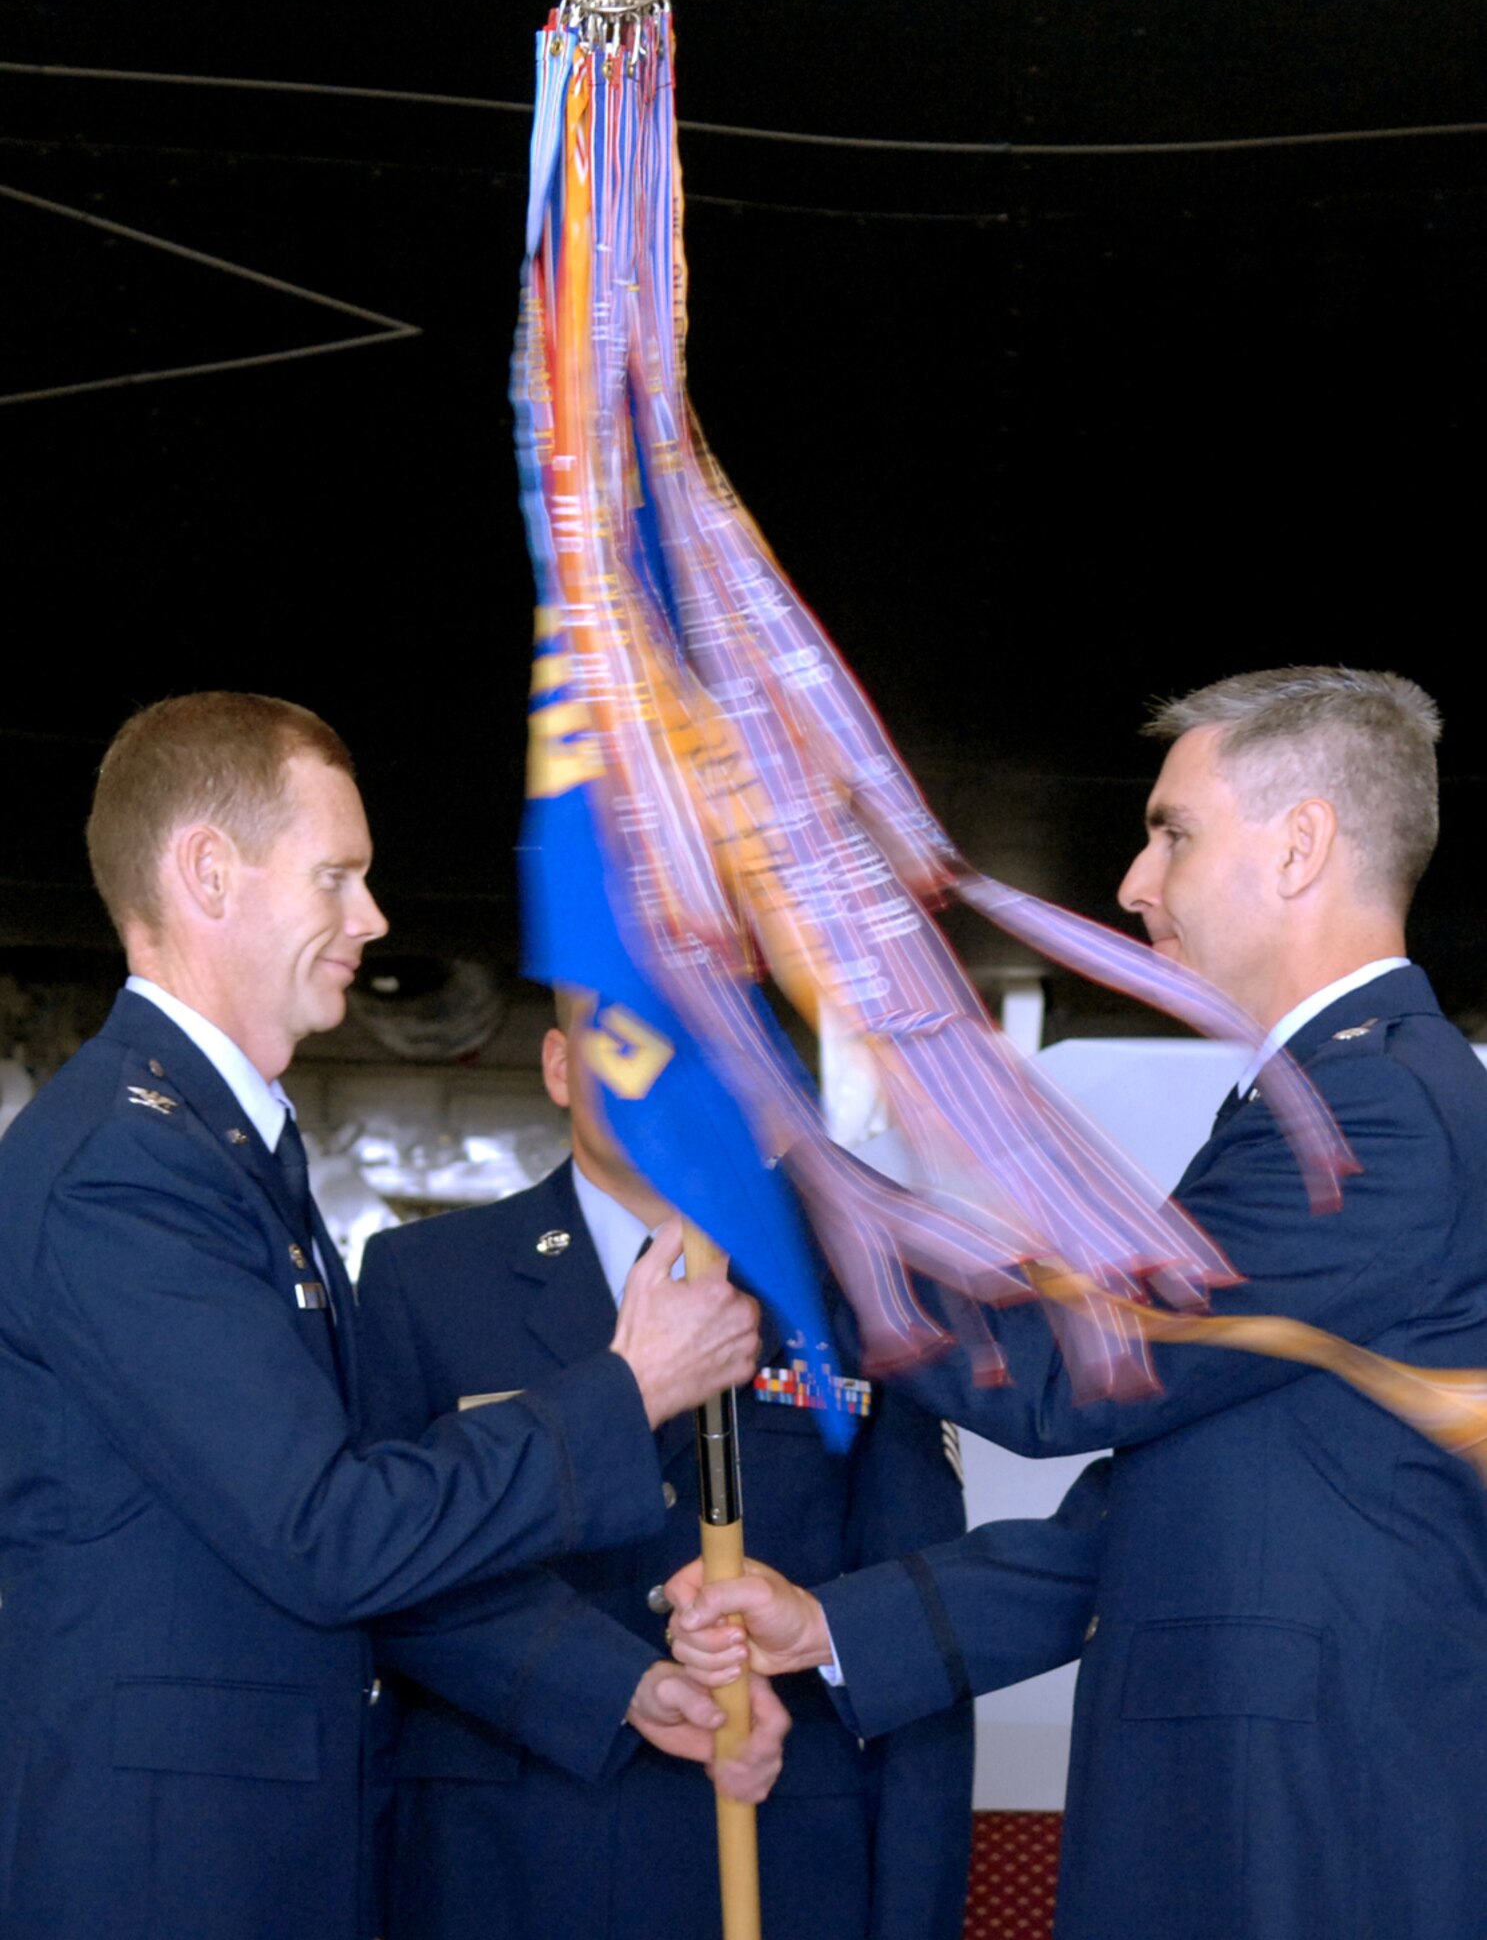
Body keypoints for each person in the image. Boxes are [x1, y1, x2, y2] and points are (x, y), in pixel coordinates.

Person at [671, 666, 1487, 1940]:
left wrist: (791, 1176)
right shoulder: (1333, 1105)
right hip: (1264, 1796)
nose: (1132, 881)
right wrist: (835, 1623)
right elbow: (1161, 1507)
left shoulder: (1371, 1116)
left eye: (1172, 831)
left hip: (1301, 1817)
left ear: (1300, 844)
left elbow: (1065, 1371)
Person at [0, 691, 771, 1940]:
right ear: (207, 870)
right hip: (173, 1869)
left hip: (252, 1844)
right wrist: (626, 1388)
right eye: (337, 876)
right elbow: (329, 1525)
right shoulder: (126, 1168)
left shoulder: (220, 1147)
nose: (372, 918)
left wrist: (617, 1681)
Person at [356, 990, 973, 1940]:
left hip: (778, 1855)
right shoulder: (424, 1279)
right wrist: (609, 1685)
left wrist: (914, 1903)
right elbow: (386, 1568)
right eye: (626, 1040)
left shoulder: (858, 1289)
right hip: (502, 1859)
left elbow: (920, 1618)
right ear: (560, 1066)